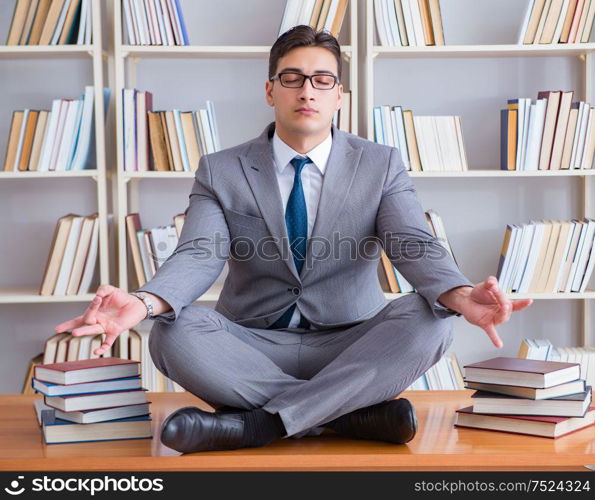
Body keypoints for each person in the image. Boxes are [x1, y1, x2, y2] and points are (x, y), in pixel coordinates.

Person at [55, 25, 533, 454]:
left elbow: (411, 241)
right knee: (173, 330)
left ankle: (257, 426)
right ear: (270, 90)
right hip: (250, 344)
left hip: (350, 342)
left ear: (340, 95)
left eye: (322, 79)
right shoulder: (222, 169)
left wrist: (462, 294)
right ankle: (347, 416)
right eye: (292, 78)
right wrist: (143, 302)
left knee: (430, 320)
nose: (308, 90)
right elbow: (199, 253)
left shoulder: (380, 163)